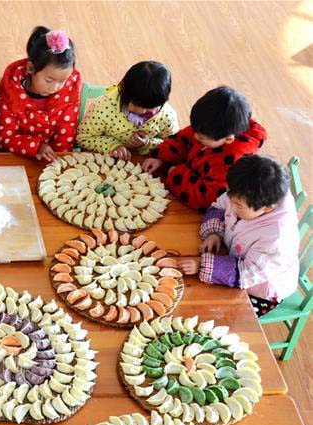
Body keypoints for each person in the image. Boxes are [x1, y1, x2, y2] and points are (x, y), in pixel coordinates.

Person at [177, 155, 299, 317]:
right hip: (232, 260)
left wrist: (201, 266)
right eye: (229, 195)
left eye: (238, 206)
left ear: (267, 208)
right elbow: (219, 206)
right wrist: (214, 233)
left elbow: (246, 274)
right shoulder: (242, 192)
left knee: (215, 316)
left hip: (259, 289)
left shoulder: (277, 239)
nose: (231, 206)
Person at [142, 86, 267, 211]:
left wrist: (175, 173)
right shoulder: (209, 128)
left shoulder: (230, 164)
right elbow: (182, 139)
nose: (195, 136)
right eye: (195, 130)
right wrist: (160, 157)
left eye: (201, 137)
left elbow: (205, 198)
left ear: (228, 139)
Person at [0, 26, 80, 161]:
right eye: (49, 80)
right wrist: (36, 146)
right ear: (30, 68)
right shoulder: (10, 91)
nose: (55, 88)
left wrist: (57, 164)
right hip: (11, 157)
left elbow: (65, 138)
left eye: (62, 81)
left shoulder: (69, 91)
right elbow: (4, 137)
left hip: (48, 161)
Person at [76, 61, 178, 160]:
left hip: (145, 163)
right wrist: (113, 146)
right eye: (137, 105)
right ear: (123, 92)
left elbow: (175, 145)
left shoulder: (166, 116)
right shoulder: (103, 107)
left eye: (149, 108)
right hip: (107, 160)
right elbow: (83, 138)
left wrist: (147, 144)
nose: (142, 112)